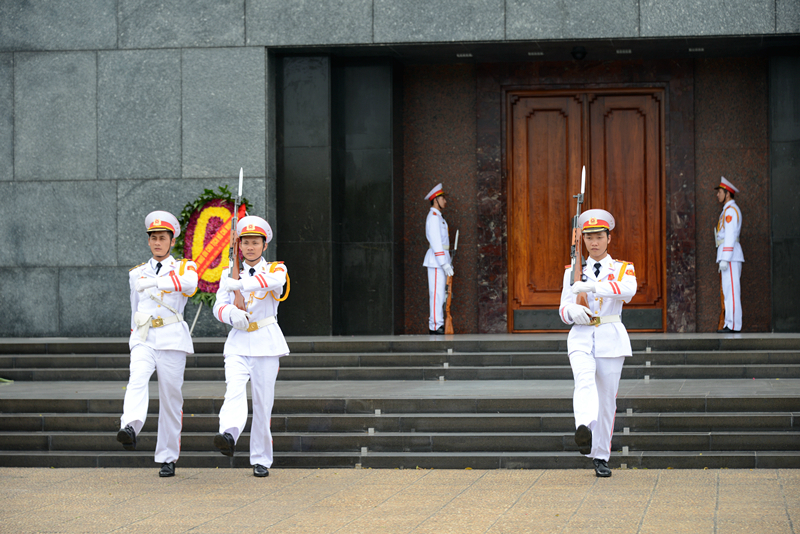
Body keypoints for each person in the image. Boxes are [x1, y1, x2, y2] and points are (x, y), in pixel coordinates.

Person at [118, 210, 198, 478]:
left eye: (162, 238)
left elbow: (189, 285)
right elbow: (134, 307)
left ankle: (167, 457)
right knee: (137, 379)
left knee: (171, 399)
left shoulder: (185, 268)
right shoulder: (136, 273)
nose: (156, 242)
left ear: (171, 240)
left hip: (172, 339)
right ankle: (130, 426)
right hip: (144, 337)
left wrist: (155, 281)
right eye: (153, 237)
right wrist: (133, 337)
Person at [558, 209, 637, 478]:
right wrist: (573, 313)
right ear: (582, 239)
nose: (594, 242)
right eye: (589, 237)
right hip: (581, 336)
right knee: (584, 380)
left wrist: (592, 288)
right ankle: (584, 429)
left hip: (610, 336)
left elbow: (628, 290)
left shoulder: (623, 268)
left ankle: (601, 455)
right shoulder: (573, 269)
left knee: (606, 400)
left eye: (599, 237)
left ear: (609, 239)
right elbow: (563, 308)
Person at [212, 215, 290, 478]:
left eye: (255, 242)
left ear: (264, 245)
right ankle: (229, 434)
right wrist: (231, 314)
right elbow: (218, 306)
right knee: (233, 390)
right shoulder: (228, 272)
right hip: (238, 343)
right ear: (239, 245)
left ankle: (261, 459)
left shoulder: (277, 269)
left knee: (262, 403)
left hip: (266, 343)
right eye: (245, 242)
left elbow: (275, 284)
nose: (250, 247)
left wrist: (242, 284)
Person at [423, 183, 454, 335]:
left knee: (441, 294)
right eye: (442, 198)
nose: (445, 201)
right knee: (436, 294)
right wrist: (444, 263)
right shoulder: (433, 218)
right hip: (436, 261)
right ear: (435, 200)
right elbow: (436, 243)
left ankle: (437, 323)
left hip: (441, 260)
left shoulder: (439, 218)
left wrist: (447, 262)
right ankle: (435, 326)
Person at [714, 177, 744, 333]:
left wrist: (725, 258)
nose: (717, 195)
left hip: (730, 257)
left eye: (719, 192)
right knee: (728, 291)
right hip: (728, 256)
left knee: (731, 291)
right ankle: (730, 323)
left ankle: (733, 325)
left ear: (727, 193)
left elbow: (730, 236)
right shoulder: (727, 210)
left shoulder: (730, 211)